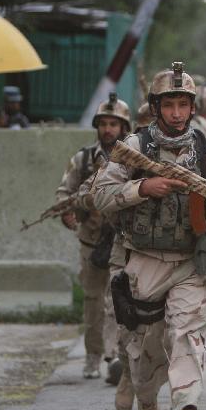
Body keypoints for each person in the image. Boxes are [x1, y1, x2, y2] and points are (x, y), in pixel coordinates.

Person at [92, 62, 206, 410]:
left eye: (183, 104)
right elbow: (101, 196)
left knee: (187, 334)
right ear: (155, 107)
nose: (177, 113)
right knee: (144, 351)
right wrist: (143, 187)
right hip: (142, 261)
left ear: (192, 107)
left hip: (190, 264)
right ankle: (148, 402)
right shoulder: (133, 149)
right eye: (169, 105)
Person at [55, 92, 131, 380]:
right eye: (104, 123)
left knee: (119, 300)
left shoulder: (132, 159)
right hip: (91, 241)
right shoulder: (83, 159)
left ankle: (116, 356)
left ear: (124, 128)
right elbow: (65, 192)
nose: (109, 129)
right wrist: (68, 212)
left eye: (115, 124)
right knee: (93, 301)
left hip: (123, 241)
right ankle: (93, 356)